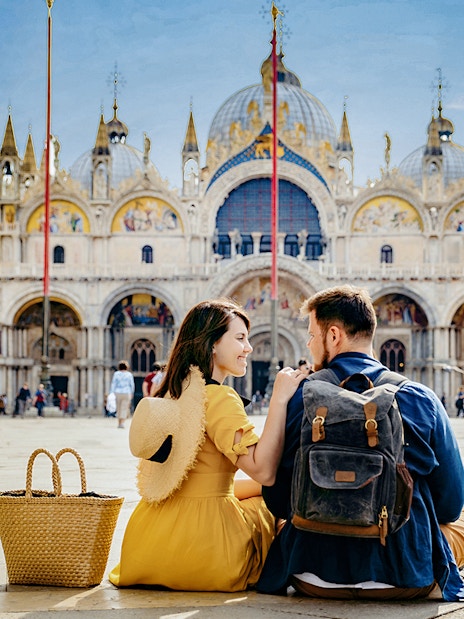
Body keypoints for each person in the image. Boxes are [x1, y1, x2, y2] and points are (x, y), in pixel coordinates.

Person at [257, 285, 464, 602]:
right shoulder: (422, 398)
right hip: (406, 579)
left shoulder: (298, 397)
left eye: (312, 335)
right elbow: (450, 503)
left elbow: (278, 500)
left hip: (310, 576)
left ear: (334, 335)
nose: (309, 344)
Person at [108, 298, 305, 591]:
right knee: (269, 506)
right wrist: (279, 398)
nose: (248, 348)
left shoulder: (173, 394)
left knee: (260, 493)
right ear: (212, 343)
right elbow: (263, 471)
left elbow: (201, 481)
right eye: (240, 338)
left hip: (146, 547)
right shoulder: (219, 398)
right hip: (207, 551)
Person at [110, 361, 135, 429]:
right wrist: (132, 392)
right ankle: (122, 423)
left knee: (118, 408)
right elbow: (131, 385)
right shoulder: (129, 374)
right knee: (124, 408)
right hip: (126, 392)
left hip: (117, 392)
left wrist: (112, 392)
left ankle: (119, 422)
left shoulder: (116, 374)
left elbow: (113, 383)